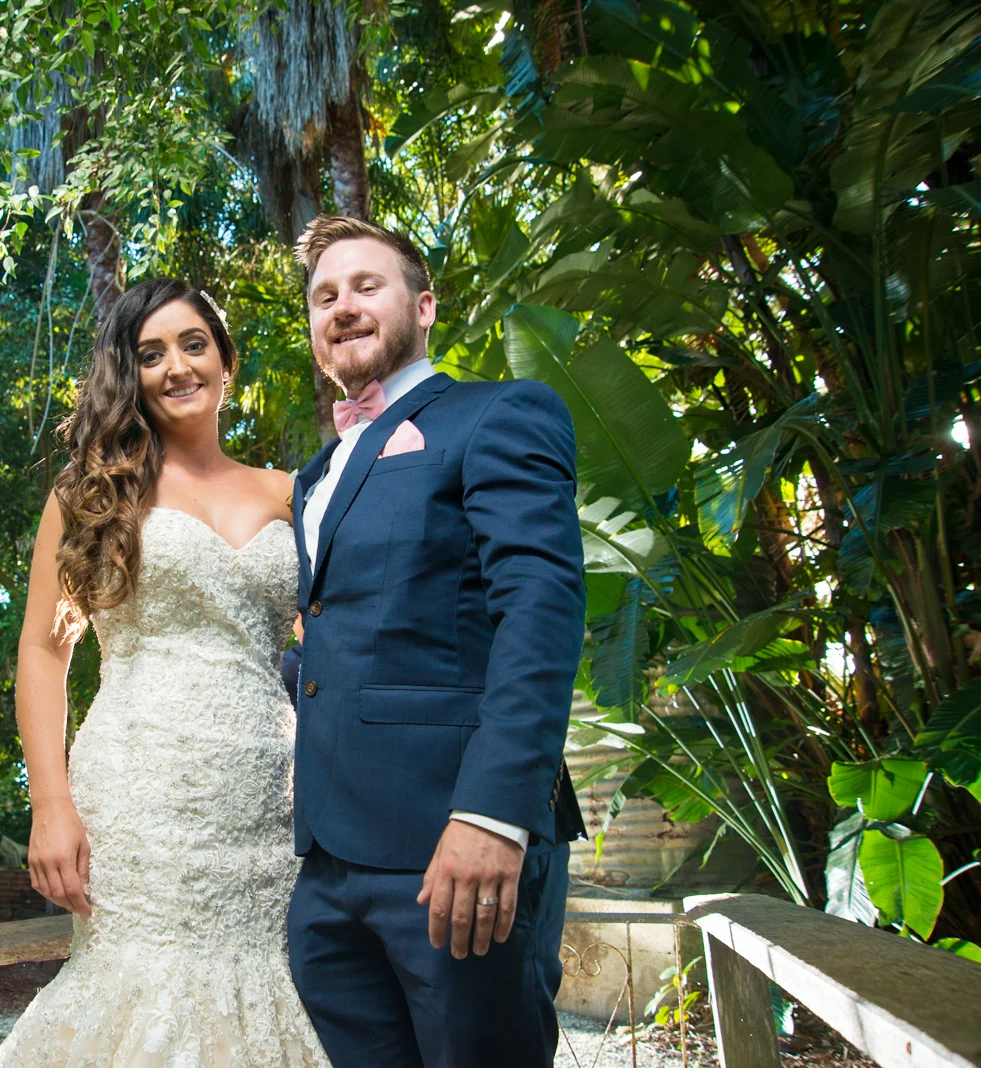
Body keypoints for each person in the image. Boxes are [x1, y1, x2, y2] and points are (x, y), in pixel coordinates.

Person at [0, 279, 330, 1066]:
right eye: (151, 354)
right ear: (130, 375)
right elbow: (43, 650)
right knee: (144, 985)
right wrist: (50, 804)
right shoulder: (91, 495)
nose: (177, 366)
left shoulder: (291, 494)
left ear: (225, 361)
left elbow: (332, 642)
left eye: (193, 344)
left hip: (268, 795)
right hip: (139, 794)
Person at [286, 216, 588, 1068]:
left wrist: (494, 815)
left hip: (454, 844)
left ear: (423, 307)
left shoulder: (498, 413)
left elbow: (540, 608)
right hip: (329, 868)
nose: (343, 306)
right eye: (324, 296)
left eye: (366, 286)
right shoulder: (315, 476)